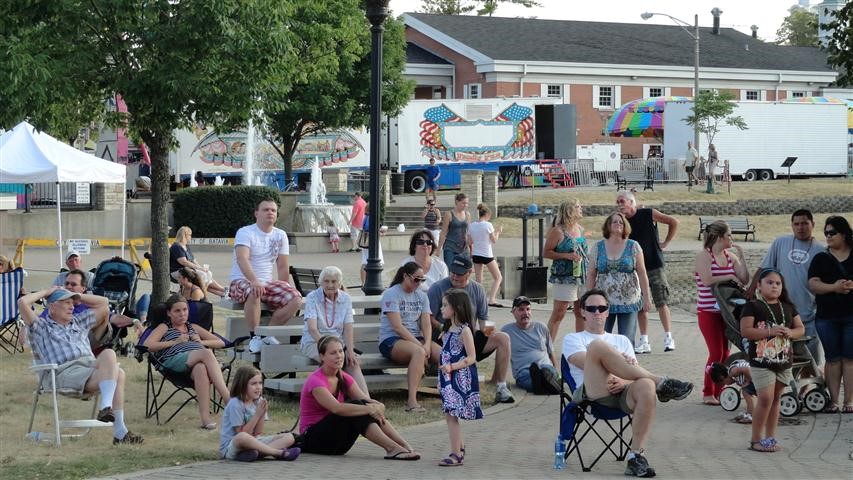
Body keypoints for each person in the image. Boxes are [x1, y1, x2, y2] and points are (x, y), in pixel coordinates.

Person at [562, 289, 694, 478]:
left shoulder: (621, 340)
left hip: (622, 394)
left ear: (608, 311)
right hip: (593, 394)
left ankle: (635, 457)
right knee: (597, 347)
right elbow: (584, 363)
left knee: (646, 385)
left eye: (602, 308)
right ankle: (662, 383)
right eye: (591, 308)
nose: (597, 313)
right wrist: (614, 360)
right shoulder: (573, 339)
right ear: (582, 312)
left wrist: (623, 382)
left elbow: (635, 375)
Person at [19, 287, 144, 445]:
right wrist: (47, 292)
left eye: (73, 303)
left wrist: (77, 296)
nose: (72, 306)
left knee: (110, 355)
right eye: (66, 303)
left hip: (89, 367)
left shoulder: (78, 322)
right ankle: (119, 431)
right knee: (118, 373)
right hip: (64, 372)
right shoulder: (42, 327)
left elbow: (103, 304)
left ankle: (107, 410)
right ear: (51, 307)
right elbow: (23, 301)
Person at [299, 336, 420, 459]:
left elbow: (366, 400)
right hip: (314, 441)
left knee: (362, 405)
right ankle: (392, 448)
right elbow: (337, 409)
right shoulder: (315, 381)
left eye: (341, 351)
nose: (339, 356)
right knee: (359, 407)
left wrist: (379, 406)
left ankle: (404, 445)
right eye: (333, 353)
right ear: (322, 357)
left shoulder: (344, 377)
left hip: (338, 444)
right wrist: (370, 409)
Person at [428, 254, 515, 403]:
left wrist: (489, 331)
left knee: (503, 338)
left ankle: (501, 386)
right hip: (444, 339)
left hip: (469, 338)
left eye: (459, 274)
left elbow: (484, 318)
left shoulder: (478, 289)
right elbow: (427, 317)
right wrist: (444, 327)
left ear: (469, 272)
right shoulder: (437, 288)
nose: (454, 276)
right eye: (452, 272)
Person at [143, 294, 231, 429]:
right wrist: (174, 342)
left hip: (197, 360)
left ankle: (205, 420)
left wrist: (201, 341)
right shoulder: (164, 327)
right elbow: (148, 345)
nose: (182, 314)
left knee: (201, 368)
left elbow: (220, 342)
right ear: (169, 313)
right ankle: (229, 400)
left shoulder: (193, 327)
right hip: (173, 361)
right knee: (206, 353)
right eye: (177, 311)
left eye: (185, 310)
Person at [740, 269, 804, 452]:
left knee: (776, 399)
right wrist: (769, 332)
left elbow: (800, 328)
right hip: (761, 362)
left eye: (778, 283)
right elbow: (746, 331)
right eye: (769, 282)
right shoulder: (752, 306)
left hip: (783, 361)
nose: (774, 286)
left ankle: (770, 437)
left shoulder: (788, 307)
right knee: (765, 398)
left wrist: (790, 332)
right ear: (759, 285)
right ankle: (756, 439)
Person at [228, 198, 302, 353]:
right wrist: (254, 281)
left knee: (295, 299)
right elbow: (242, 258)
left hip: (266, 283)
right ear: (256, 213)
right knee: (254, 290)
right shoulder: (245, 232)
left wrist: (284, 288)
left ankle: (267, 334)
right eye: (265, 209)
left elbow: (282, 266)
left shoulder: (280, 235)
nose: (270, 213)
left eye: (273, 210)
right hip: (241, 280)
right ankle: (254, 336)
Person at [616, 190, 679, 354]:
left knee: (661, 300)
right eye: (617, 202)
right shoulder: (621, 221)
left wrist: (665, 243)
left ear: (631, 202)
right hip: (635, 268)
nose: (619, 205)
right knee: (641, 304)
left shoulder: (647, 213)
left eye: (622, 201)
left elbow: (673, 222)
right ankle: (644, 340)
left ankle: (669, 337)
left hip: (654, 264)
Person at [694, 220, 749, 405]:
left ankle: (720, 390)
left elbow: (744, 279)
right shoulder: (704, 256)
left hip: (726, 313)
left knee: (725, 352)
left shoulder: (730, 256)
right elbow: (708, 279)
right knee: (715, 352)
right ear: (719, 237)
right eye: (729, 235)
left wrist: (741, 257)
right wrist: (729, 275)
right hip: (708, 312)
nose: (731, 238)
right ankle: (708, 392)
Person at [760, 209, 825, 365]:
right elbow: (764, 269)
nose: (800, 227)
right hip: (781, 315)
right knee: (780, 361)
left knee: (811, 362)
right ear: (792, 225)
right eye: (796, 224)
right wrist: (751, 290)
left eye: (804, 223)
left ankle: (812, 390)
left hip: (809, 316)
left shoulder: (821, 251)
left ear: (813, 224)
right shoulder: (780, 242)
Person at [378, 262, 440, 412]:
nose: (418, 283)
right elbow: (397, 327)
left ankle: (454, 393)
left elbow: (426, 324)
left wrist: (426, 344)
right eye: (415, 279)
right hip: (392, 340)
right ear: (405, 276)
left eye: (422, 280)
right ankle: (412, 401)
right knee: (418, 353)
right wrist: (421, 347)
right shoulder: (392, 294)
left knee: (445, 354)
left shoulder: (421, 296)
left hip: (416, 339)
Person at [299, 266, 369, 396]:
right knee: (333, 359)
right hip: (315, 342)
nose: (330, 285)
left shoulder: (346, 299)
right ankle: (334, 397)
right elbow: (312, 329)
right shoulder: (312, 297)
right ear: (321, 282)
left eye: (334, 281)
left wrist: (350, 351)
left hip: (338, 343)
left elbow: (348, 328)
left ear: (339, 283)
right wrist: (328, 347)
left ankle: (366, 401)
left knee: (352, 362)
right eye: (326, 281)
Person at [807, 215, 853, 413]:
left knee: (850, 360)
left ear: (844, 234)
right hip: (827, 316)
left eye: (832, 232)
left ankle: (849, 402)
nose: (828, 236)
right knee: (833, 359)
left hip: (852, 315)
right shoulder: (821, 257)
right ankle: (834, 401)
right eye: (825, 233)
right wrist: (833, 287)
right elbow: (812, 283)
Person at [586, 212, 651, 348]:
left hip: (629, 300)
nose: (618, 224)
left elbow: (642, 273)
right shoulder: (598, 247)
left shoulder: (633, 246)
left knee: (626, 340)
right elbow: (591, 274)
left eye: (621, 222)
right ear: (608, 226)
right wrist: (589, 298)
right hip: (603, 302)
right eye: (614, 222)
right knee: (601, 339)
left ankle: (627, 367)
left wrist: (647, 297)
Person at [437, 289, 483, 467]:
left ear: (456, 308)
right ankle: (460, 447)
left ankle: (456, 453)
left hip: (459, 377)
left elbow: (471, 357)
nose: (442, 309)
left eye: (445, 305)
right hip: (446, 377)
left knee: (451, 414)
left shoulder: (465, 331)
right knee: (449, 413)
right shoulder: (448, 329)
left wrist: (452, 367)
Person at [219, 365, 301, 461]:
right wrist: (257, 414)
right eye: (253, 384)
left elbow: (258, 432)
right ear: (242, 385)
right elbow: (242, 433)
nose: (258, 387)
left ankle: (254, 454)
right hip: (231, 446)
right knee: (242, 437)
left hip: (253, 441)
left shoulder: (259, 401)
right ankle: (278, 453)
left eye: (260, 383)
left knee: (290, 437)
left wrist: (262, 414)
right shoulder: (235, 404)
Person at [543, 198, 588, 339]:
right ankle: (547, 349)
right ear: (569, 210)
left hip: (582, 275)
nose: (581, 208)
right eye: (578, 206)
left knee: (581, 312)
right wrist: (566, 256)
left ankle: (580, 346)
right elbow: (546, 252)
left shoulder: (580, 229)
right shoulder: (558, 231)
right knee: (559, 313)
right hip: (564, 277)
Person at [501, 295, 561, 395]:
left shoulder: (541, 327)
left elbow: (551, 351)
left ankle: (542, 385)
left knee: (548, 372)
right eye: (521, 310)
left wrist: (557, 371)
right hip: (524, 372)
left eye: (528, 309)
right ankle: (548, 385)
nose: (525, 313)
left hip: (546, 368)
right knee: (531, 378)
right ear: (513, 312)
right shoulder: (506, 331)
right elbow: (501, 357)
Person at [170, 226, 227, 297]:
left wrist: (202, 268)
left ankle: (221, 293)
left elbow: (193, 260)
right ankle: (219, 291)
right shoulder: (177, 247)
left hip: (188, 270)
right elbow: (184, 262)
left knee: (207, 273)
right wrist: (199, 269)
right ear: (184, 235)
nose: (191, 237)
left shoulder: (186, 246)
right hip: (178, 271)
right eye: (190, 235)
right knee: (202, 276)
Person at [467, 203, 503, 307]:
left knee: (479, 279)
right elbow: (494, 240)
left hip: (476, 254)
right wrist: (498, 232)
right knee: (498, 277)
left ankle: (478, 299)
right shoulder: (488, 225)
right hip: (486, 254)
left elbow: (469, 241)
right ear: (487, 214)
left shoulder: (472, 225)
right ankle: (491, 299)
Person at [709, 360, 756, 424]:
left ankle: (751, 415)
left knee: (746, 392)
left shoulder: (732, 372)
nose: (726, 384)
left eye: (723, 383)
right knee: (746, 391)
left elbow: (746, 369)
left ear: (722, 377)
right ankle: (749, 412)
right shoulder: (733, 374)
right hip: (756, 376)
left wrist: (748, 381)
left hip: (758, 376)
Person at [438, 193, 471, 267]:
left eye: (467, 203)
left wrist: (471, 248)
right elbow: (443, 232)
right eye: (463, 203)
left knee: (464, 271)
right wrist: (438, 249)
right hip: (450, 247)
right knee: (451, 271)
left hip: (463, 248)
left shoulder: (467, 214)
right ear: (457, 202)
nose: (465, 205)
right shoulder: (449, 214)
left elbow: (468, 232)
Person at [359, 204, 385, 284]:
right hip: (372, 242)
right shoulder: (371, 218)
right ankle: (375, 281)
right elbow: (371, 229)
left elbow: (365, 228)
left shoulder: (365, 217)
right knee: (376, 261)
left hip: (365, 242)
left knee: (364, 262)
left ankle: (363, 282)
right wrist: (381, 233)